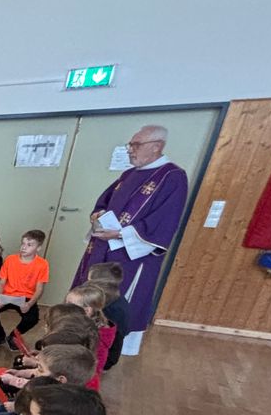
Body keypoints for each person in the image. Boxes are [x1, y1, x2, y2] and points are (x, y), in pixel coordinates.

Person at [72, 125, 189, 355]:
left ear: (157, 146)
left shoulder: (172, 177)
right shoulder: (129, 174)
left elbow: (164, 221)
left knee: (117, 303)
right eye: (130, 144)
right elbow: (104, 202)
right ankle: (77, 337)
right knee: (87, 291)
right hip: (103, 246)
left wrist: (120, 234)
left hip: (132, 252)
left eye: (136, 144)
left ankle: (109, 350)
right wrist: (97, 215)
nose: (130, 149)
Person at [0, 230, 49, 347]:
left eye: (29, 245)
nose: (24, 247)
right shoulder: (10, 259)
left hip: (26, 297)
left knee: (32, 319)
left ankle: (13, 336)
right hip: (6, 295)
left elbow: (39, 289)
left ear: (38, 248)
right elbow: (1, 282)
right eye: (23, 243)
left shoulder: (42, 264)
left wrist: (29, 304)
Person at [64, 284, 115, 389]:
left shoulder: (94, 337)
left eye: (69, 305)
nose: (64, 307)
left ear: (87, 311)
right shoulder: (81, 325)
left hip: (79, 384)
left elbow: (85, 370)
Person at [83, 262, 128, 369]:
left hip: (104, 358)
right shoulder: (116, 299)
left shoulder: (110, 309)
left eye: (89, 280)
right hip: (107, 353)